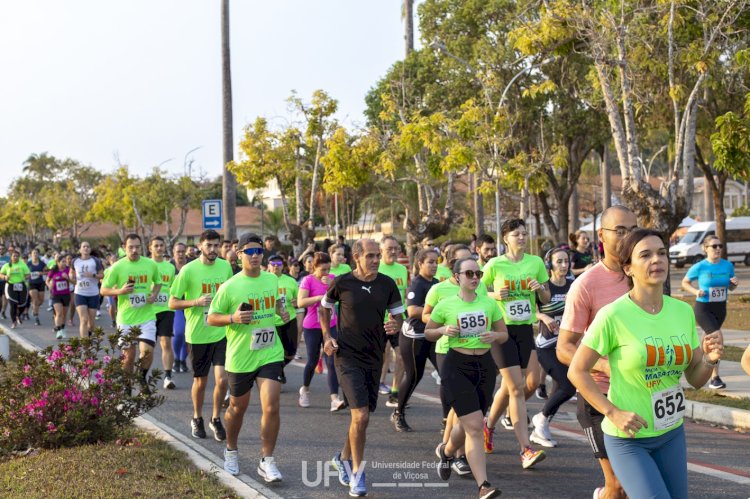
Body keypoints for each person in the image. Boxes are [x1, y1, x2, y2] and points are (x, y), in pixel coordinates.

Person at [568, 228, 724, 499]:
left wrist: (709, 361)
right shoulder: (612, 315)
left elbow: (696, 378)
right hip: (628, 439)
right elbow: (577, 371)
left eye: (662, 253)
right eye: (646, 255)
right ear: (628, 268)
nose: (657, 260)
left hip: (671, 432)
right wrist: (612, 412)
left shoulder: (682, 312)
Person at [557, 205, 637, 499]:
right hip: (599, 396)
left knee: (636, 486)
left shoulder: (644, 278)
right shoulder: (586, 285)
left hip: (641, 393)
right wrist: (604, 366)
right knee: (617, 486)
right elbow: (565, 348)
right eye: (620, 231)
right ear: (601, 236)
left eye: (633, 229)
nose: (628, 236)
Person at [321, 239, 404, 497]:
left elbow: (398, 315)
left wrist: (396, 325)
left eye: (377, 255)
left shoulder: (387, 284)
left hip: (374, 357)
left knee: (361, 417)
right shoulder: (342, 282)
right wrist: (327, 336)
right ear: (356, 257)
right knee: (361, 416)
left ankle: (342, 457)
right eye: (370, 256)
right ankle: (357, 473)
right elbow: (324, 308)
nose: (376, 260)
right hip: (346, 356)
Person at [207, 232, 290, 481]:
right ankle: (231, 450)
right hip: (241, 355)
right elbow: (212, 317)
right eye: (250, 252)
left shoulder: (271, 280)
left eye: (259, 252)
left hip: (269, 352)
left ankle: (267, 460)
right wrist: (232, 318)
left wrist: (281, 312)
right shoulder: (230, 286)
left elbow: (275, 303)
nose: (255, 256)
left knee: (272, 405)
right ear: (240, 254)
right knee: (237, 407)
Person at [426, 257, 507, 499]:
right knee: (474, 427)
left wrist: (493, 335)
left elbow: (503, 334)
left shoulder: (488, 304)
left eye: (478, 274)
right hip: (456, 365)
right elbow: (428, 332)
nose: (474, 278)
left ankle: (447, 451)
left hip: (484, 366)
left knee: (469, 421)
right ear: (457, 276)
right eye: (469, 273)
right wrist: (441, 330)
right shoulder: (446, 305)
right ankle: (483, 485)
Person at [481, 218, 550, 469]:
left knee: (527, 383)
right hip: (502, 330)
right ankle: (525, 450)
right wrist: (494, 295)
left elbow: (546, 296)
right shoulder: (494, 264)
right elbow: (474, 291)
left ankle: (487, 427)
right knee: (517, 388)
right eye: (516, 234)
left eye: (524, 233)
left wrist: (539, 288)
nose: (522, 237)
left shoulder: (536, 262)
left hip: (525, 329)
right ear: (505, 239)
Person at [169, 230, 234, 441]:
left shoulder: (225, 267)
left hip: (222, 331)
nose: (213, 250)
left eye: (217, 246)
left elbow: (231, 294)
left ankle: (215, 418)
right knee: (201, 382)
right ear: (200, 246)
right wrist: (195, 302)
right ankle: (197, 417)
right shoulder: (188, 271)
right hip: (197, 334)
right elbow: (172, 302)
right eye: (209, 246)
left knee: (222, 379)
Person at [529, 247, 577, 448]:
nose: (564, 265)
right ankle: (540, 419)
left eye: (566, 261)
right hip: (546, 346)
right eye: (559, 261)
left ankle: (541, 427)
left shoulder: (574, 285)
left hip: (566, 345)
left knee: (560, 388)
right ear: (549, 264)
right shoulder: (542, 288)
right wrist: (543, 316)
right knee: (568, 386)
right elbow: (530, 312)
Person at [100, 234, 162, 382]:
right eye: (130, 247)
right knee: (129, 357)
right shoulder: (117, 267)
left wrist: (154, 295)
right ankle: (127, 385)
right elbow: (103, 290)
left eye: (137, 247)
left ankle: (141, 378)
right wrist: (120, 291)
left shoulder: (150, 264)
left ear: (141, 247)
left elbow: (158, 282)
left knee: (147, 353)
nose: (134, 250)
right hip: (126, 318)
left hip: (146, 316)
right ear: (124, 248)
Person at [681, 235, 738, 390]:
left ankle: (698, 365)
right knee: (716, 336)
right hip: (703, 308)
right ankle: (715, 377)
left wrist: (734, 285)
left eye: (720, 246)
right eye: (714, 246)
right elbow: (685, 282)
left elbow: (730, 286)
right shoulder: (700, 266)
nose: (718, 249)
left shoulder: (727, 266)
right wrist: (695, 291)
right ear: (705, 248)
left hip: (720, 308)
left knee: (707, 338)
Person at [391, 248, 439, 432]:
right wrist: (437, 312)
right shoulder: (417, 284)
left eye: (436, 262)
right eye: (430, 262)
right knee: (413, 376)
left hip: (433, 335)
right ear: (420, 264)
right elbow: (412, 311)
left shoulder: (436, 283)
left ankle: (446, 420)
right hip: (414, 336)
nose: (434, 265)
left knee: (446, 374)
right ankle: (398, 412)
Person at [297, 252, 346, 411]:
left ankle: (334, 398)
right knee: (312, 360)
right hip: (312, 325)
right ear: (314, 267)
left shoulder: (333, 278)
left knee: (331, 361)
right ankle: (304, 389)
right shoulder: (308, 280)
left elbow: (344, 298)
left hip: (331, 324)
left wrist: (333, 284)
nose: (326, 272)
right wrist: (320, 298)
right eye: (323, 269)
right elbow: (300, 302)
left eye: (328, 268)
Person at [378, 236, 408, 407]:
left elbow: (403, 296)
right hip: (377, 321)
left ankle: (395, 393)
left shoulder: (402, 270)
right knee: (380, 357)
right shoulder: (376, 268)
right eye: (390, 248)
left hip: (397, 321)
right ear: (381, 251)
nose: (394, 251)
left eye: (396, 248)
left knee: (402, 356)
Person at [149, 237, 177, 390]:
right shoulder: (146, 265)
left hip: (166, 309)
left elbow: (173, 288)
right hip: (148, 312)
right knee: (148, 347)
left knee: (166, 342)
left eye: (161, 245)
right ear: (150, 248)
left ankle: (168, 376)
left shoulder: (170, 267)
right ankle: (143, 375)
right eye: (156, 246)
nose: (159, 248)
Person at [267, 254, 300, 384]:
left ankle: (279, 368)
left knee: (291, 352)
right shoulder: (264, 280)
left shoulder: (290, 281)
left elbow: (299, 300)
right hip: (272, 321)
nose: (276, 266)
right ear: (268, 266)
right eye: (273, 264)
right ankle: (278, 373)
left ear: (283, 266)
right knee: (276, 352)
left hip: (289, 319)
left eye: (279, 264)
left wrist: (297, 302)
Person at [70, 241, 104, 339]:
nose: (86, 248)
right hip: (80, 293)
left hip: (93, 294)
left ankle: (89, 334)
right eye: (84, 246)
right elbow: (71, 272)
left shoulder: (95, 261)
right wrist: (71, 276)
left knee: (91, 323)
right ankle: (85, 345)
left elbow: (102, 275)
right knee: (83, 320)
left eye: (88, 246)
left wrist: (93, 275)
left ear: (90, 249)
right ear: (80, 249)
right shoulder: (75, 261)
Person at [170, 242, 190, 372]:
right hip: (177, 305)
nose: (181, 254)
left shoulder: (190, 267)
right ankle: (176, 358)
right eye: (178, 252)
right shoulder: (169, 267)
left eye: (183, 251)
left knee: (188, 336)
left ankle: (183, 360)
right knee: (178, 333)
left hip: (191, 305)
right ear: (174, 253)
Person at [0, 250, 30, 328]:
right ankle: (13, 322)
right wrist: (4, 277)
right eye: (14, 256)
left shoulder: (22, 265)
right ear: (11, 257)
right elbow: (1, 273)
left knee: (23, 304)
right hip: (10, 285)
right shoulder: (7, 265)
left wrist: (25, 277)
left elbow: (28, 274)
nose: (15, 257)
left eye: (17, 256)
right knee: (13, 304)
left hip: (21, 285)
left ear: (19, 257)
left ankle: (18, 315)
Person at [46, 254, 73, 339]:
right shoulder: (53, 271)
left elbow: (73, 281)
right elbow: (47, 281)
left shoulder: (68, 270)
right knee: (59, 313)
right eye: (62, 262)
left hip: (66, 295)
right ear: (58, 262)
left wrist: (68, 278)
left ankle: (62, 328)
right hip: (56, 295)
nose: (64, 263)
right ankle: (58, 331)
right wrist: (49, 285)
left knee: (64, 314)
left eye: (65, 262)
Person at [27, 248, 47, 326]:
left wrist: (40, 273)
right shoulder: (28, 263)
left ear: (38, 254)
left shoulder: (42, 263)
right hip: (32, 283)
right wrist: (29, 275)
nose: (35, 254)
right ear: (31, 254)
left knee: (41, 301)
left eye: (36, 253)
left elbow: (47, 272)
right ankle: (36, 318)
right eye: (33, 253)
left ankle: (34, 308)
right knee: (35, 300)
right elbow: (25, 273)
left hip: (40, 283)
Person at [0, 243, 10, 319]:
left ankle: (3, 311)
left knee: (5, 297)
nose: (1, 250)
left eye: (2, 249)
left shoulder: (8, 258)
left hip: (5, 281)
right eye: (0, 249)